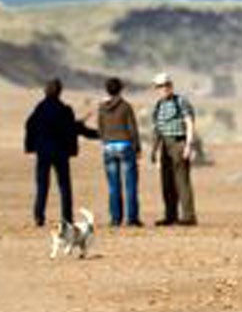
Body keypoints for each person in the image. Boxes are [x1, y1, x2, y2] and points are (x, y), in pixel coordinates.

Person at [23, 78, 95, 228]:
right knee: (64, 186)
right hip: (60, 153)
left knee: (42, 185)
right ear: (60, 92)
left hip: (43, 152)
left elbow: (30, 125)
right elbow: (70, 129)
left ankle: (38, 216)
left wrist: (32, 146)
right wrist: (93, 132)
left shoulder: (40, 109)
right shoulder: (65, 110)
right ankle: (67, 218)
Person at [88, 76, 142, 228]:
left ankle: (115, 219)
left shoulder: (102, 108)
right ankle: (132, 218)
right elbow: (133, 129)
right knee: (130, 184)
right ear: (121, 89)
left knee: (113, 186)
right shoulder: (126, 106)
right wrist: (137, 148)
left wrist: (106, 142)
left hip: (109, 147)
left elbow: (100, 128)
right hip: (125, 146)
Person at [148, 73, 199, 226]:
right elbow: (157, 129)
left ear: (170, 85)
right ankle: (170, 215)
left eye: (164, 85)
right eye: (158, 86)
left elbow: (189, 122)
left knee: (182, 181)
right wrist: (154, 150)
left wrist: (189, 145)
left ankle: (188, 216)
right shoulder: (159, 105)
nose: (162, 89)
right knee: (166, 182)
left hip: (179, 143)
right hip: (164, 145)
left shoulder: (180, 101)